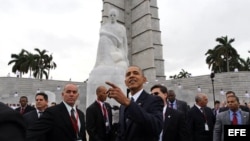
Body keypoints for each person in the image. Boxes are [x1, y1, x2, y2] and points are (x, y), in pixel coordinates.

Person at [105, 65, 163, 141]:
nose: (131, 76)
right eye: (128, 74)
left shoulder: (154, 100)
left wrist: (129, 103)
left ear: (144, 79)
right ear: (125, 82)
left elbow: (156, 127)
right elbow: (121, 132)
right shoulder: (123, 106)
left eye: (135, 73)